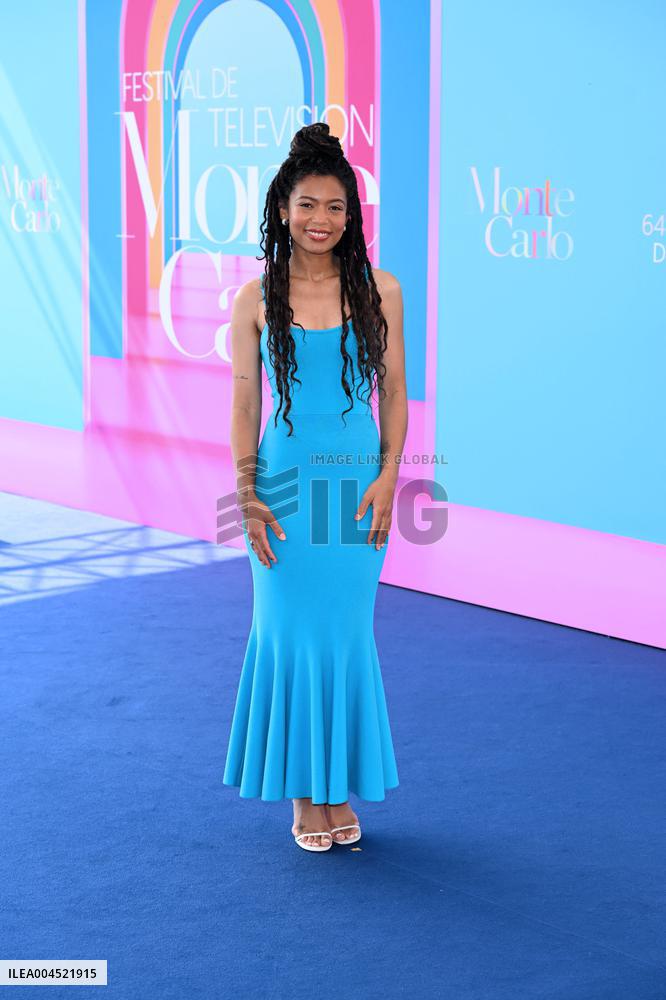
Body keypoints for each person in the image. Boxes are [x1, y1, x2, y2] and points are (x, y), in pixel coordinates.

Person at [222, 122, 408, 853]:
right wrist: (246, 493)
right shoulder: (255, 298)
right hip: (286, 487)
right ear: (282, 208)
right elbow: (244, 404)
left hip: (357, 485)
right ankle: (306, 794)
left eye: (335, 206)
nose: (321, 219)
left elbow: (395, 393)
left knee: (346, 632)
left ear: (351, 214)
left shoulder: (382, 290)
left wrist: (390, 475)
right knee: (288, 631)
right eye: (307, 205)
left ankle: (337, 790)